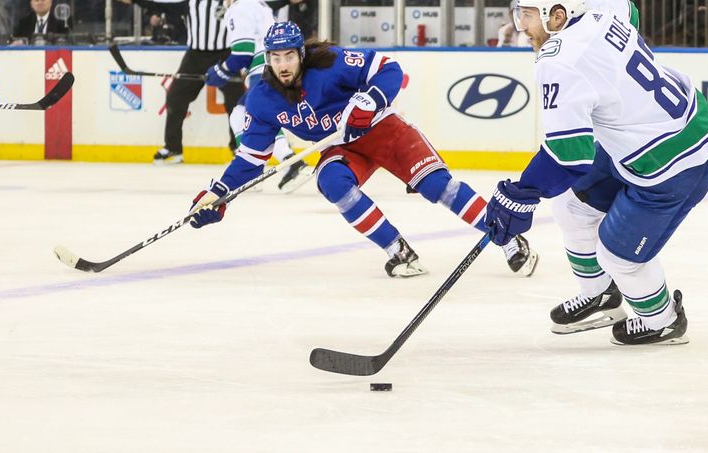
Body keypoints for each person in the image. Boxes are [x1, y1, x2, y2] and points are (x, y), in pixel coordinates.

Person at [188, 21, 540, 278]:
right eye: (275, 57)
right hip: (344, 147)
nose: (282, 65)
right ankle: (397, 250)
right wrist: (219, 195)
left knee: (437, 187)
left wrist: (370, 99)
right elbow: (250, 158)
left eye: (289, 56)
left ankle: (509, 239)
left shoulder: (330, 63)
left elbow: (388, 69)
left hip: (383, 130)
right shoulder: (262, 99)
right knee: (332, 182)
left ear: (301, 53)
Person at [485, 0, 708, 345]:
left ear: (556, 16)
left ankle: (662, 320)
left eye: (527, 15)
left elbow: (568, 157)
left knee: (618, 257)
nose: (520, 26)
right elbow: (629, 9)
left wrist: (518, 195)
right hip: (651, 134)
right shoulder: (599, 8)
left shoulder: (558, 62)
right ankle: (601, 296)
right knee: (571, 204)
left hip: (673, 164)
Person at [206, 0, 313, 193]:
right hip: (269, 65)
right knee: (250, 116)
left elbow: (242, 53)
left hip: (263, 67)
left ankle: (267, 168)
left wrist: (220, 71)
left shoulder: (239, 8)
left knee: (250, 116)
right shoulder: (258, 4)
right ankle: (279, 163)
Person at [128, 0, 244, 164]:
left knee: (236, 103)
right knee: (175, 98)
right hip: (195, 57)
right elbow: (160, 0)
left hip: (225, 55)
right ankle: (173, 149)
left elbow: (259, 2)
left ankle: (239, 150)